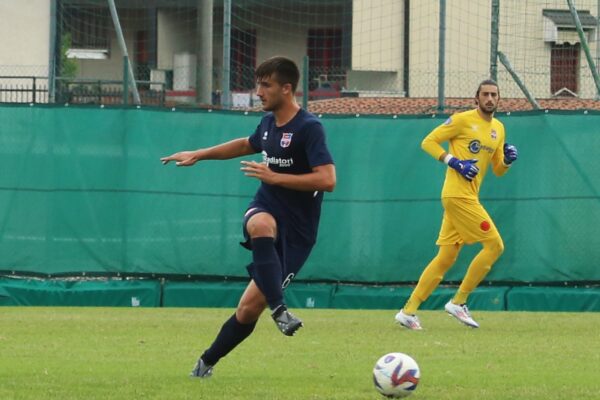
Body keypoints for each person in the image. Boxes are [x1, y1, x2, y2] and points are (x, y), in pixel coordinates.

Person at [161, 56, 336, 377]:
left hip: (299, 232)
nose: (258, 91)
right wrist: (198, 154)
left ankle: (205, 363)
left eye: (265, 85)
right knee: (260, 223)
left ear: (287, 88)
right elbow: (246, 144)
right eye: (258, 84)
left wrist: (276, 178)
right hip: (267, 208)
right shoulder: (268, 124)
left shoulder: (309, 128)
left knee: (247, 309)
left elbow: (327, 180)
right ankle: (280, 309)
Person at [395, 79, 518, 330]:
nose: (490, 98)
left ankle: (408, 312)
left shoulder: (498, 128)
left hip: (467, 198)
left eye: (494, 94)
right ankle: (458, 301)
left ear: (499, 99)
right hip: (457, 196)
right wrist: (454, 161)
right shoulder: (461, 120)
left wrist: (506, 161)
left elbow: (497, 170)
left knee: (446, 257)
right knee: (495, 246)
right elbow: (428, 141)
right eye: (485, 94)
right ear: (476, 98)